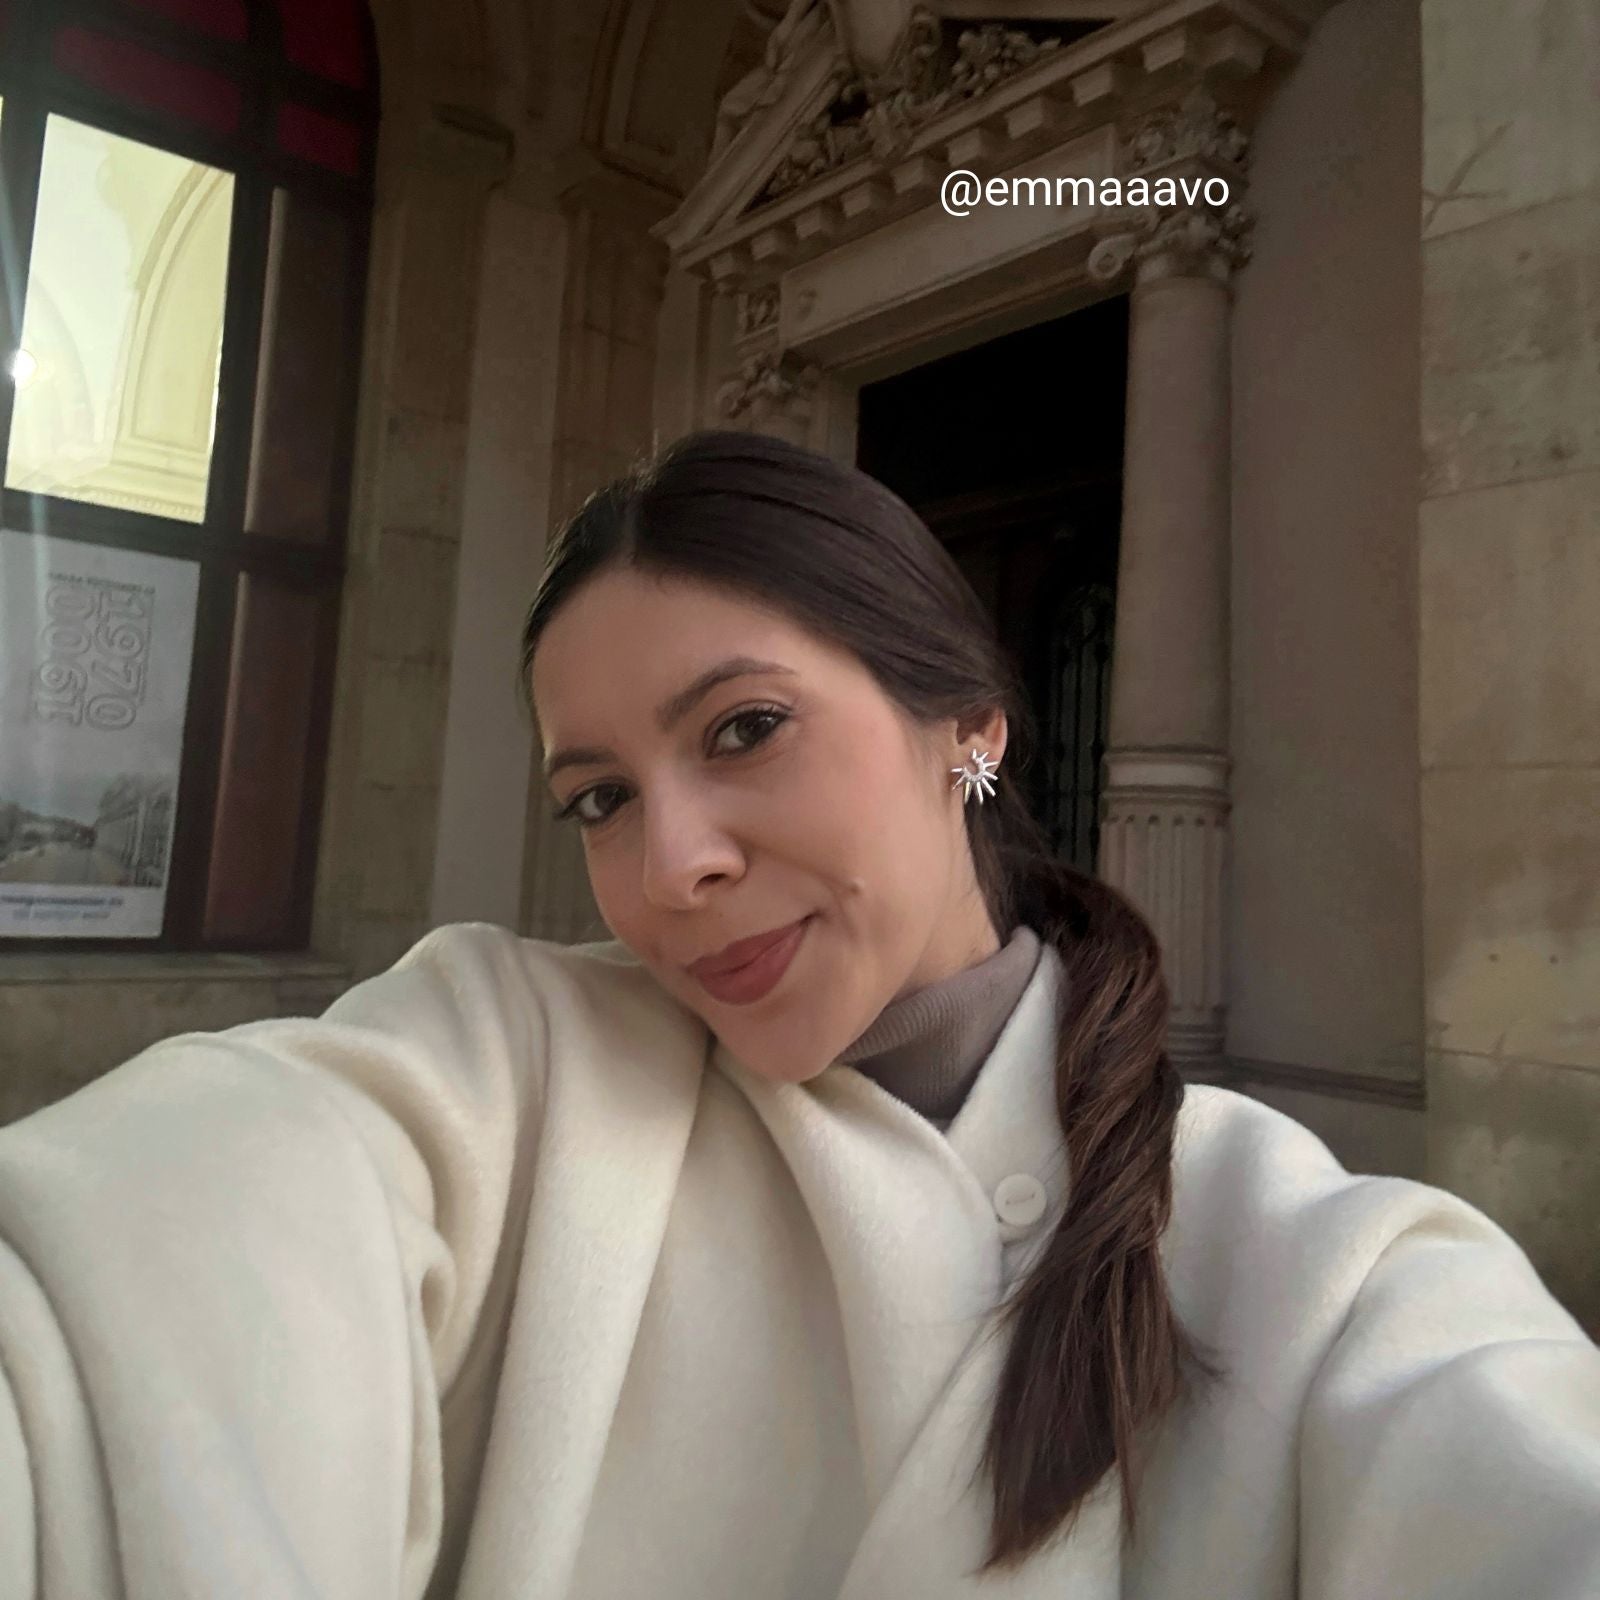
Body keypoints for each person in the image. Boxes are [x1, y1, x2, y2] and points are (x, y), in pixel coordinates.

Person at [0, 429, 1595, 1600]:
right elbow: (127, 1291)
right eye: (602, 797)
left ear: (968, 735)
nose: (671, 865)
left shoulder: (1320, 1270)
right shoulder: (502, 1066)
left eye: (745, 728)